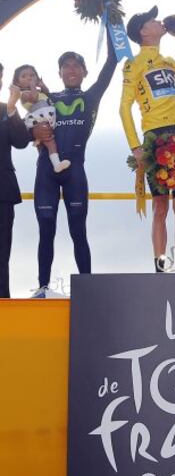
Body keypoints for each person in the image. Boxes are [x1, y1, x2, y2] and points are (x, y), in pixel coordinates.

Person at [120, 5, 175, 272]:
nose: (160, 22)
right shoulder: (132, 64)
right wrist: (135, 147)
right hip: (154, 136)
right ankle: (160, 265)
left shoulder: (170, 62)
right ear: (143, 31)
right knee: (160, 205)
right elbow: (124, 107)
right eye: (153, 20)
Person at [31, 32, 117, 297]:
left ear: (84, 72)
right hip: (46, 170)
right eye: (66, 66)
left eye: (76, 65)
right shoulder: (48, 99)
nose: (71, 69)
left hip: (75, 171)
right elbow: (26, 126)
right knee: (46, 229)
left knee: (78, 230)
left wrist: (110, 18)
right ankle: (43, 288)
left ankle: (87, 289)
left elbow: (111, 63)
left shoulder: (91, 97)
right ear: (58, 72)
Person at [0, 63, 29, 298]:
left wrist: (12, 108)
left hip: (3, 192)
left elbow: (21, 141)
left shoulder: (6, 109)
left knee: (1, 255)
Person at [12, 64, 70, 173]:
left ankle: (57, 164)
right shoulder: (23, 94)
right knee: (46, 141)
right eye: (24, 76)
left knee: (50, 142)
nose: (29, 78)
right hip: (38, 118)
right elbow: (34, 99)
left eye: (32, 75)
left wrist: (42, 85)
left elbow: (47, 93)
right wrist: (33, 85)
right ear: (17, 83)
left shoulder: (39, 92)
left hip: (47, 118)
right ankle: (45, 164)